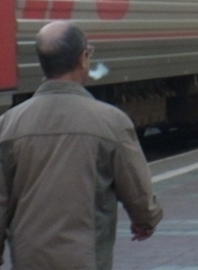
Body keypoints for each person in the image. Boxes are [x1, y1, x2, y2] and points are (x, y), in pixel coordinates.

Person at [0, 20, 163, 270]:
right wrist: (146, 219)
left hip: (28, 260)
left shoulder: (8, 124)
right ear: (83, 58)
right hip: (87, 259)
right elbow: (137, 188)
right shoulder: (111, 122)